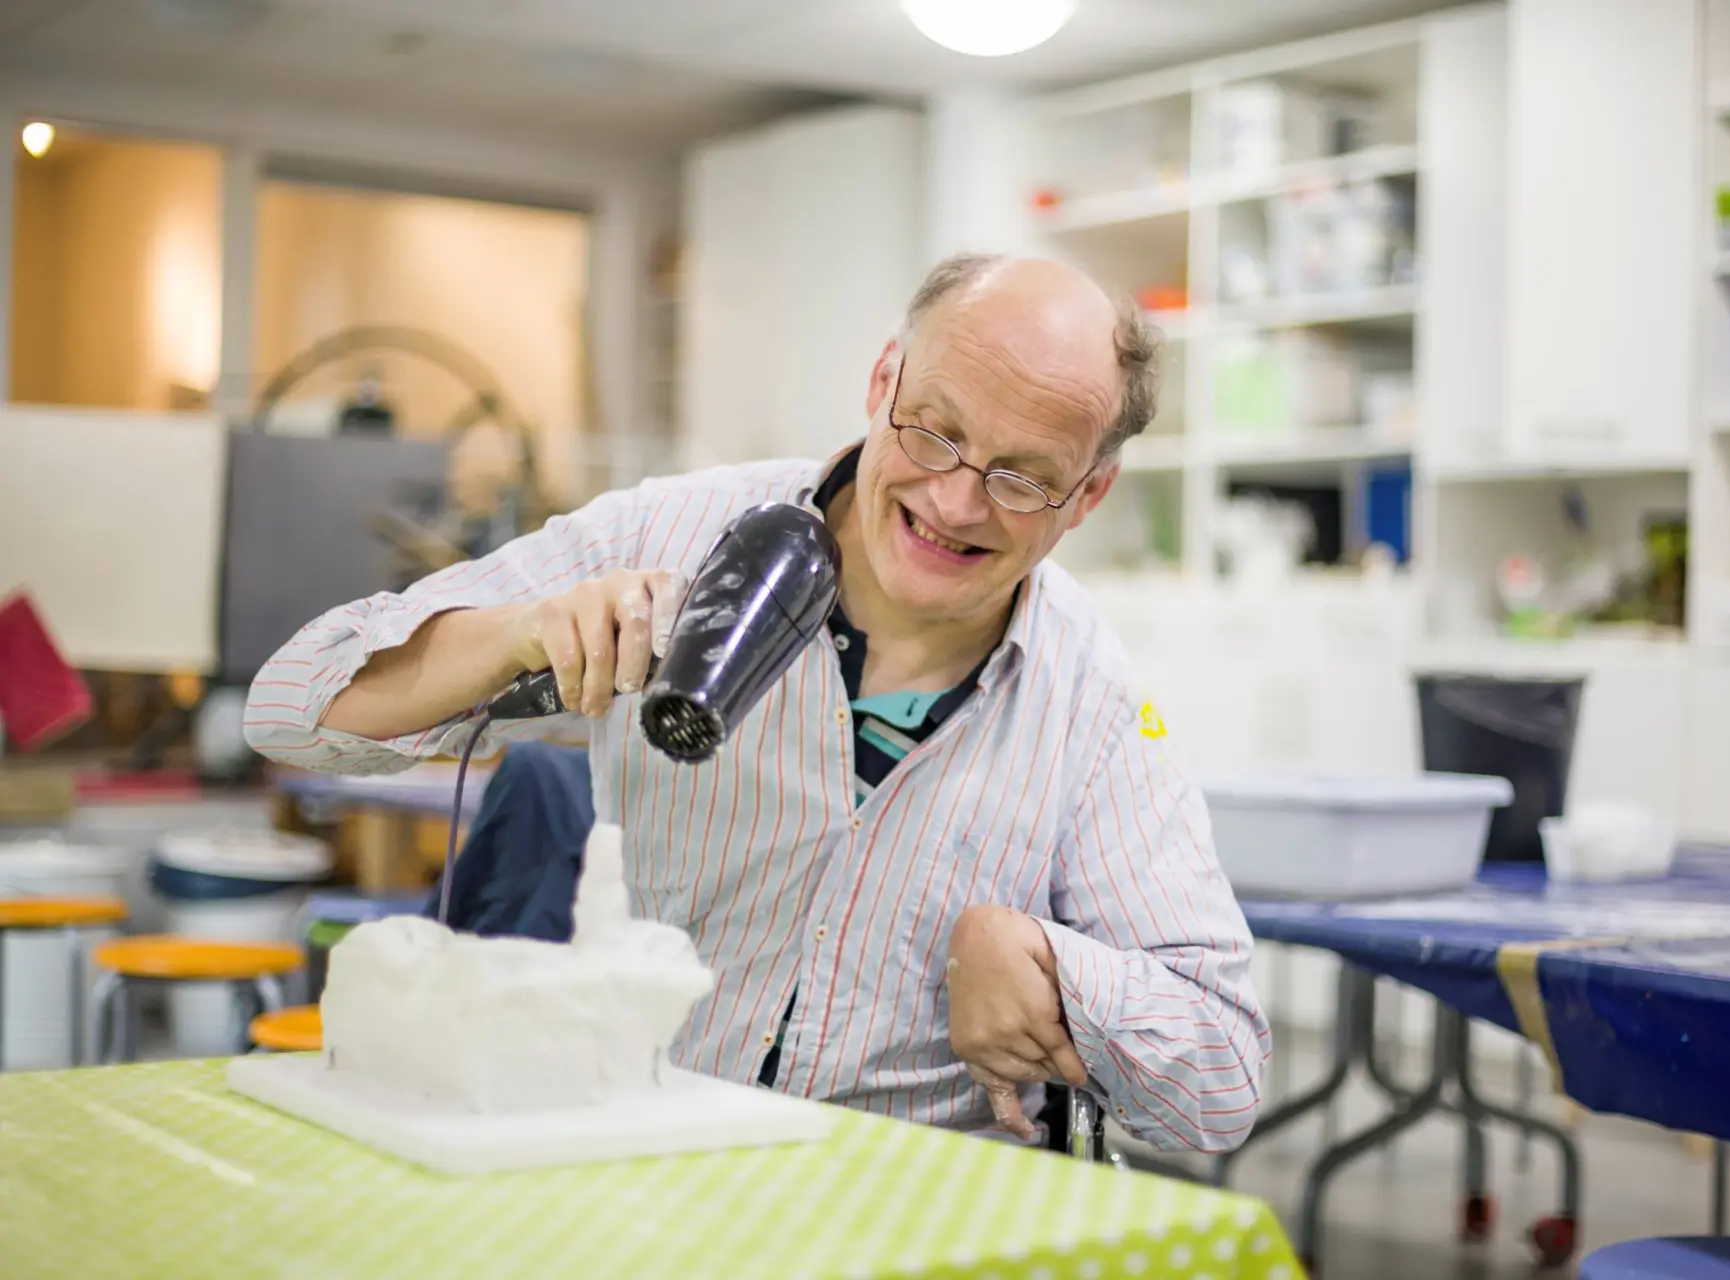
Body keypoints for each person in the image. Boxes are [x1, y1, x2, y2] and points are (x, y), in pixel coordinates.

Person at [245, 252, 1270, 1153]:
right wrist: (516, 634)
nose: (955, 502)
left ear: (1088, 495)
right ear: (883, 381)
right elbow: (289, 705)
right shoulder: (676, 532)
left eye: (1020, 478)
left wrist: (1045, 961)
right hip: (639, 1153)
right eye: (935, 432)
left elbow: (1222, 1082)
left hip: (898, 1210)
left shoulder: (1088, 699)